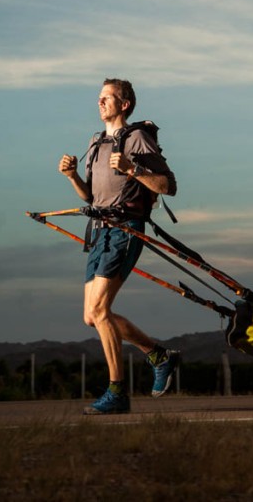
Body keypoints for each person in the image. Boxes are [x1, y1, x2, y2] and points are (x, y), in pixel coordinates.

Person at [58, 78, 181, 415]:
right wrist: (71, 177)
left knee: (99, 311)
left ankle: (117, 393)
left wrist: (133, 168)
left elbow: (168, 186)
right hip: (98, 231)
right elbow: (91, 197)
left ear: (124, 104)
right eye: (98, 98)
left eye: (107, 98)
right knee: (91, 316)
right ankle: (158, 355)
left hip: (125, 229)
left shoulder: (137, 138)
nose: (100, 103)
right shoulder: (95, 142)